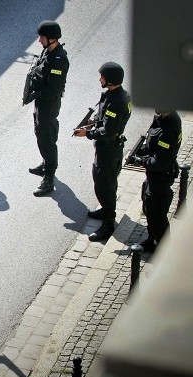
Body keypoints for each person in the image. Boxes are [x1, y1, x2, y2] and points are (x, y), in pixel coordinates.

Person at [74, 62, 132, 241]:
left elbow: (109, 131)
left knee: (105, 185)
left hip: (109, 151)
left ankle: (108, 223)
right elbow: (105, 120)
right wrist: (93, 121)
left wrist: (88, 133)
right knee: (101, 181)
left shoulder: (117, 102)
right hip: (106, 149)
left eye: (103, 77)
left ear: (111, 80)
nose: (100, 79)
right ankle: (105, 210)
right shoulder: (114, 95)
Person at [128, 110, 182, 252]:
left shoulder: (168, 130)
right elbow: (154, 144)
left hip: (160, 177)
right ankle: (152, 239)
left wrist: (140, 161)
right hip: (154, 176)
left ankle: (164, 252)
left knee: (157, 214)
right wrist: (143, 150)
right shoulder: (164, 118)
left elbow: (159, 162)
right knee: (150, 208)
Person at [26, 20, 69, 196]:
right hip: (41, 103)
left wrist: (38, 94)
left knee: (47, 138)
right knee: (40, 133)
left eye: (41, 37)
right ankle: (46, 163)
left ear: (51, 39)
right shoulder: (47, 51)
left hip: (48, 104)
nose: (39, 41)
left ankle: (49, 178)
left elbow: (54, 88)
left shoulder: (59, 60)